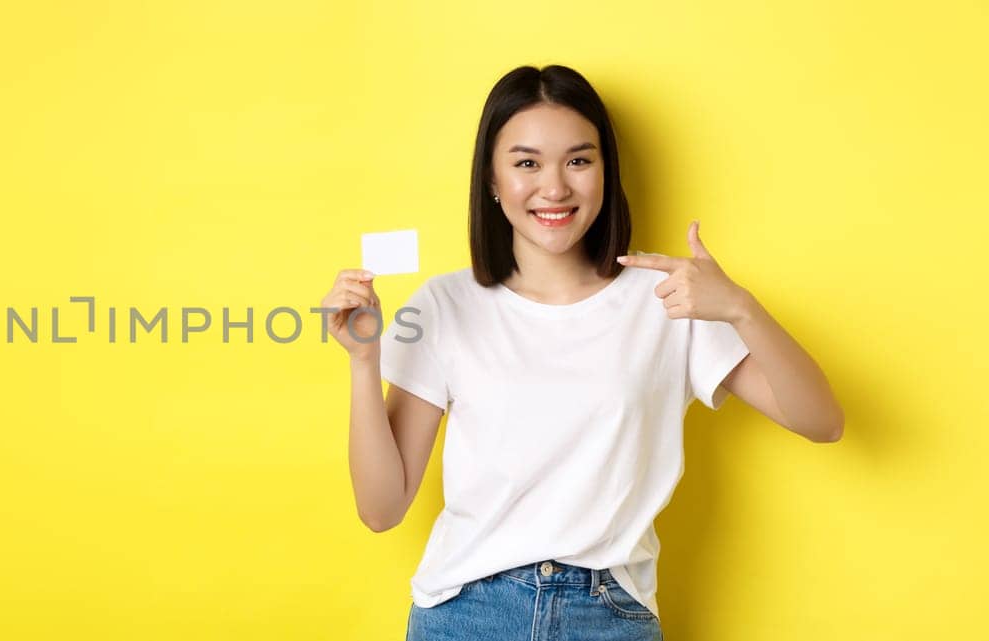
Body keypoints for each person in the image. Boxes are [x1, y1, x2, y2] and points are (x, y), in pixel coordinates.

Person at [320, 65, 845, 641]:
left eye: (578, 160)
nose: (554, 187)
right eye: (526, 163)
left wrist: (742, 307)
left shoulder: (668, 298)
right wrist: (363, 362)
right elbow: (382, 509)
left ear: (605, 171)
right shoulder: (446, 304)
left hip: (609, 614)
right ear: (492, 181)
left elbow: (821, 422)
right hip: (466, 614)